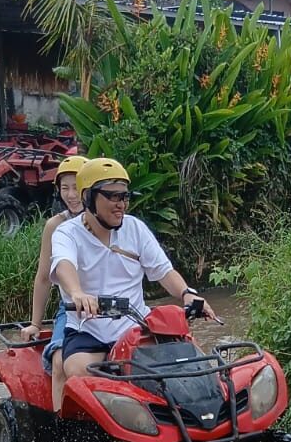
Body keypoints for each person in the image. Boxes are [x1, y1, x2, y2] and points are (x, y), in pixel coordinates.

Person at [50, 157, 216, 385]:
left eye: (125, 197)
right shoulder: (66, 233)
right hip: (88, 331)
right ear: (88, 197)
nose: (121, 204)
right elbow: (63, 264)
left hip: (137, 325)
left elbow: (163, 271)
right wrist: (77, 293)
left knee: (195, 361)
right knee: (78, 370)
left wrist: (187, 293)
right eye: (113, 196)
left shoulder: (135, 228)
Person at [19, 154, 87, 410]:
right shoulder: (55, 225)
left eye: (77, 187)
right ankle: (62, 433)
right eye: (65, 188)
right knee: (60, 361)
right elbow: (44, 276)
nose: (72, 195)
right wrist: (35, 323)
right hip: (70, 308)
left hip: (111, 306)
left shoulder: (108, 220)